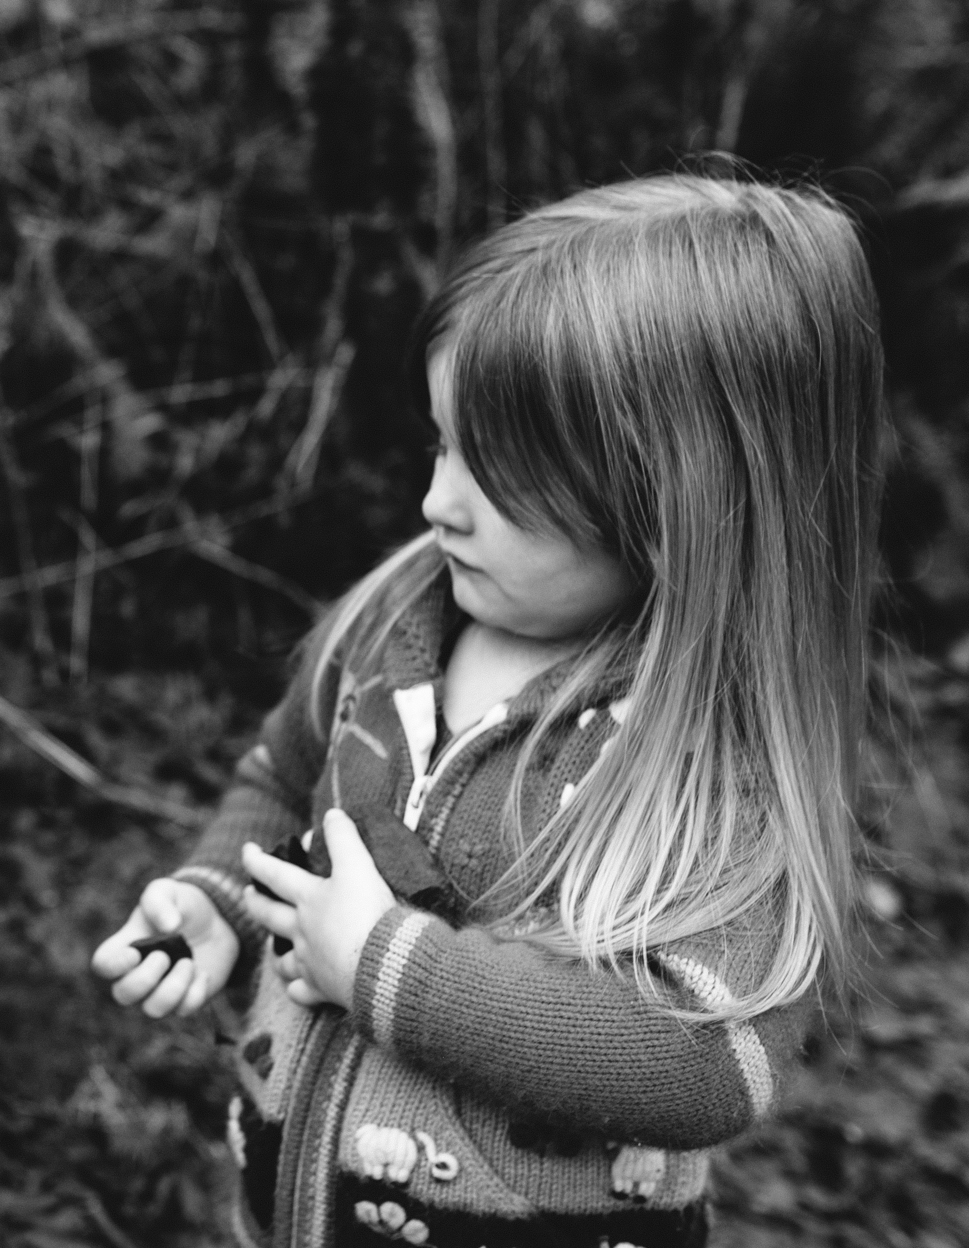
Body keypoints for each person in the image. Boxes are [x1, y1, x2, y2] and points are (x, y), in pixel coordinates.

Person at [92, 176, 881, 1248]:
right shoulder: (395, 620)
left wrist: (382, 965)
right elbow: (282, 779)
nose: (435, 502)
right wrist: (221, 899)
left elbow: (704, 1060)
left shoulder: (701, 761)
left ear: (673, 509)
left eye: (497, 476)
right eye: (439, 443)